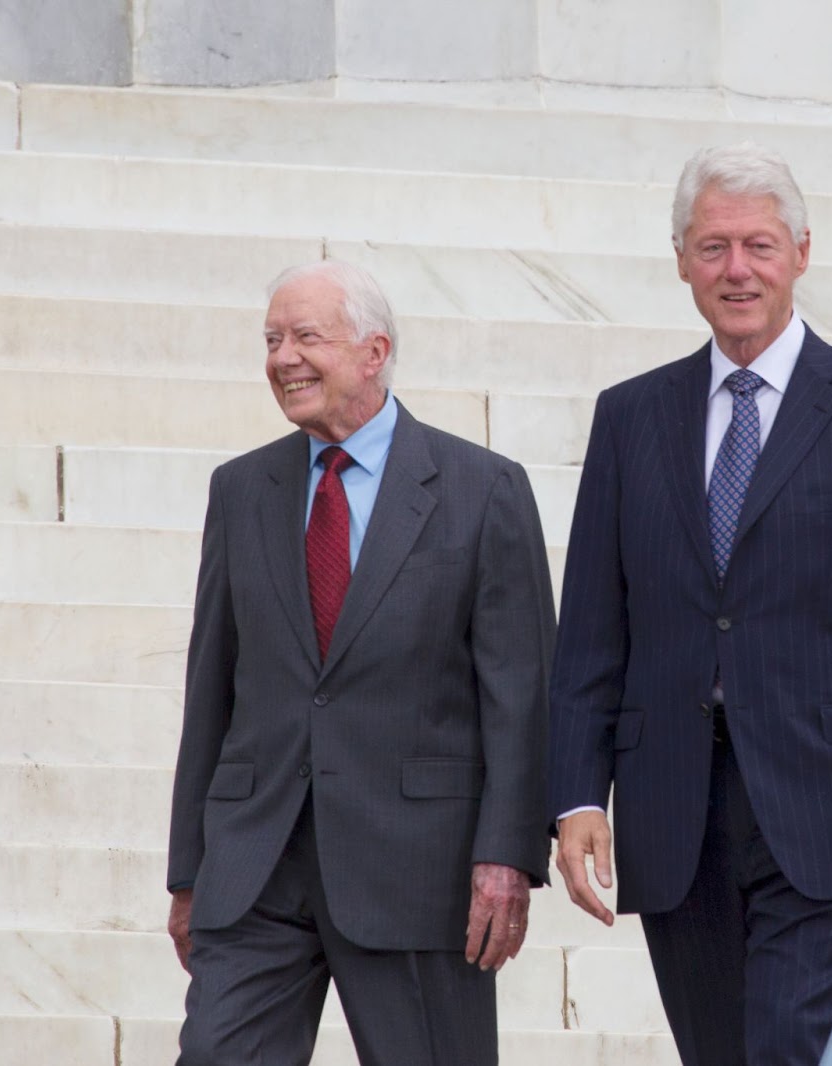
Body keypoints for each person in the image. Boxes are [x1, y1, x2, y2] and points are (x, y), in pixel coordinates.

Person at [549, 144, 832, 1065]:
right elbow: (589, 630)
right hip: (672, 814)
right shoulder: (630, 418)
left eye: (758, 246)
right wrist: (578, 792)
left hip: (823, 809)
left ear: (802, 254)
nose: (735, 270)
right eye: (712, 248)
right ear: (679, 261)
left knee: (789, 1044)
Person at [166, 260, 555, 1066]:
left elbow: (521, 694)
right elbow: (211, 687)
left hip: (419, 865)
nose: (282, 358)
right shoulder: (241, 490)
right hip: (258, 860)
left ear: (374, 353)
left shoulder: (483, 490)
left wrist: (509, 853)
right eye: (272, 339)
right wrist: (187, 870)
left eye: (306, 337)